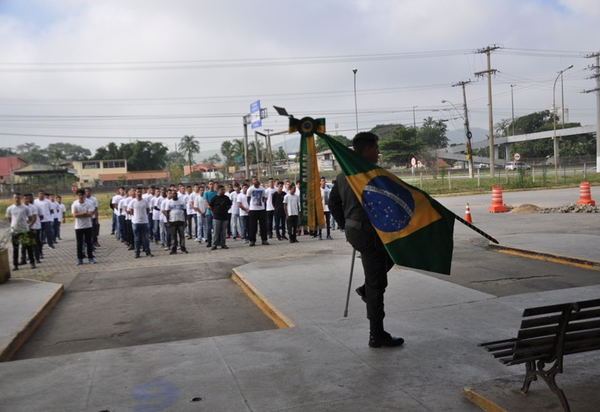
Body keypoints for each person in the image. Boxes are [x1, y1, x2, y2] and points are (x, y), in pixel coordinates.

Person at [329, 131, 404, 348]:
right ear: (368, 149)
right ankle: (376, 334)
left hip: (357, 232)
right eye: (376, 148)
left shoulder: (344, 175)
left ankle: (365, 289)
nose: (379, 152)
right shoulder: (373, 174)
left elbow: (334, 204)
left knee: (387, 265)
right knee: (377, 284)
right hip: (370, 235)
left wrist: (346, 225)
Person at [5, 192, 35, 272]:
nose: (17, 199)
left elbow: (31, 218)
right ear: (13, 198)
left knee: (28, 247)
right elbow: (9, 219)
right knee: (15, 249)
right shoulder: (10, 208)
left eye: (18, 198)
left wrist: (29, 225)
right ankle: (15, 264)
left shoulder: (25, 208)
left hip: (24, 231)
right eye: (15, 198)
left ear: (21, 198)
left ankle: (32, 262)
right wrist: (13, 226)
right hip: (15, 231)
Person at [72, 188, 96, 265]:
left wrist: (80, 214)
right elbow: (75, 215)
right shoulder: (74, 204)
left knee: (89, 242)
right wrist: (84, 214)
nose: (81, 197)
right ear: (77, 196)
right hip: (78, 226)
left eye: (82, 195)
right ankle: (79, 258)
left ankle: (90, 257)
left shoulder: (89, 203)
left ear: (84, 195)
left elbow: (90, 214)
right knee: (79, 243)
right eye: (79, 195)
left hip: (88, 225)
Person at [128, 187, 153, 258]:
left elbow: (148, 210)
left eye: (140, 192)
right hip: (136, 222)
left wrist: (144, 216)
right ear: (135, 193)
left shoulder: (145, 201)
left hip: (144, 222)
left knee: (146, 238)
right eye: (137, 192)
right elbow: (129, 210)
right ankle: (137, 253)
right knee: (137, 239)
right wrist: (135, 216)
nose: (139, 193)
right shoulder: (132, 202)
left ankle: (148, 252)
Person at [246, 176, 269, 247]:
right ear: (252, 182)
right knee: (253, 226)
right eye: (254, 180)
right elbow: (248, 198)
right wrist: (251, 205)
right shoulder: (250, 189)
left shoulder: (262, 189)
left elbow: (264, 197)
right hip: (253, 209)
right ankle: (252, 240)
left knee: (263, 225)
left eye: (256, 179)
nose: (256, 181)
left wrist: (262, 203)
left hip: (261, 209)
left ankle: (264, 239)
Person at [208, 184, 232, 250]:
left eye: (223, 190)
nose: (223, 191)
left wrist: (226, 209)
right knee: (216, 231)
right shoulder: (214, 198)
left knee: (223, 232)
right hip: (216, 217)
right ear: (218, 190)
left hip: (225, 217)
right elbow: (210, 206)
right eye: (221, 190)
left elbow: (230, 205)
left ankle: (223, 243)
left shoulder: (226, 198)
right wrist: (213, 212)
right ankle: (214, 244)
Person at [164, 190, 187, 254]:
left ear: (177, 195)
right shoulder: (169, 202)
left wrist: (185, 221)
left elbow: (185, 211)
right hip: (172, 221)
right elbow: (167, 212)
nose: (174, 195)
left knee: (182, 236)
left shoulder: (181, 202)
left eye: (175, 194)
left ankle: (183, 248)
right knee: (173, 236)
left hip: (181, 221)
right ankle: (174, 249)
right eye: (172, 194)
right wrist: (168, 222)